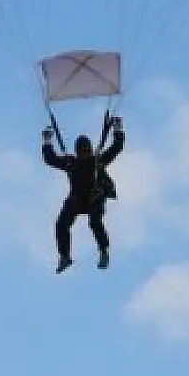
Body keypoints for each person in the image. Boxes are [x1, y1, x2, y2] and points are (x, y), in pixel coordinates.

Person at [42, 116, 125, 273]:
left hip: (95, 199)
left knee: (94, 222)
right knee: (61, 224)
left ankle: (104, 250)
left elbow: (116, 148)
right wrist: (47, 140)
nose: (83, 154)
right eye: (81, 152)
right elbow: (50, 159)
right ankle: (65, 256)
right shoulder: (71, 162)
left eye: (85, 151)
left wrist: (118, 128)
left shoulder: (96, 161)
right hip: (77, 201)